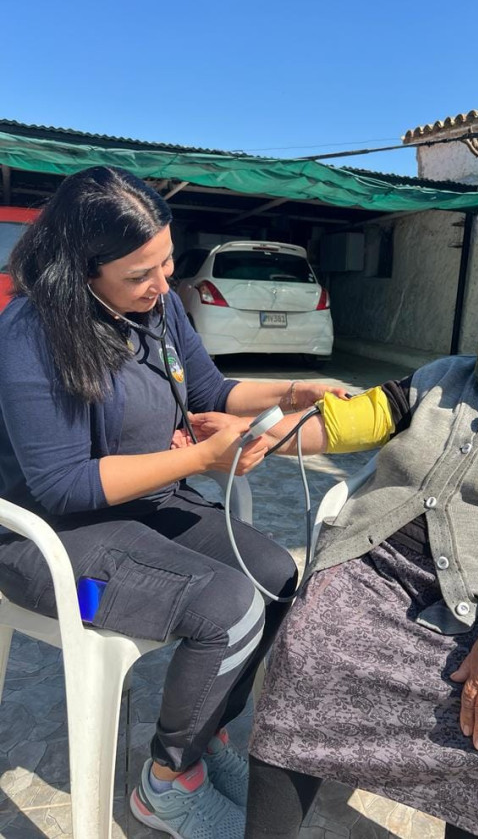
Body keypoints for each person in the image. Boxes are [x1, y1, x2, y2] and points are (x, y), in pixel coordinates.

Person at [192, 266, 478, 839]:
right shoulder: (444, 377)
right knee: (307, 652)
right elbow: (348, 421)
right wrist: (249, 433)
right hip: (377, 566)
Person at [0, 166, 346, 839]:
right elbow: (64, 484)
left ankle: (204, 733)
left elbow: (212, 392)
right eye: (140, 275)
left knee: (274, 576)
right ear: (81, 270)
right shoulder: (29, 333)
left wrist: (296, 390)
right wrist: (199, 458)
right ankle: (167, 782)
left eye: (168, 263)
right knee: (226, 605)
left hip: (145, 510)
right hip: (52, 551)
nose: (162, 285)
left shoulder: (159, 312)